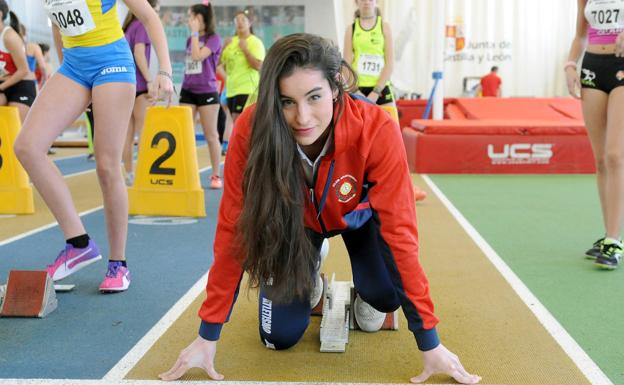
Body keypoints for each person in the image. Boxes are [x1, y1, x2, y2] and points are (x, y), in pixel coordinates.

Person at [159, 33, 481, 384]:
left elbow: (400, 233)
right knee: (278, 337)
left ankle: (370, 294)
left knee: (386, 296)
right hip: (295, 226)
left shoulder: (377, 128)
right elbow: (232, 231)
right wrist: (209, 334)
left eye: (314, 97)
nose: (302, 117)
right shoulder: (252, 130)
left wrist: (429, 341)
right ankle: (308, 271)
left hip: (358, 220)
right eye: (286, 102)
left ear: (336, 86)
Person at [13, 0, 174, 292]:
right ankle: (78, 243)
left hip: (111, 63)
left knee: (107, 166)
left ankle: (118, 264)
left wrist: (164, 71)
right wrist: (63, 71)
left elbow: (149, 17)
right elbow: (57, 25)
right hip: (74, 67)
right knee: (27, 146)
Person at [565, 0, 624, 270]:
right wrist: (569, 65)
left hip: (622, 63)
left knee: (615, 155)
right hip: (592, 66)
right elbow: (580, 35)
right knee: (600, 159)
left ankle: (615, 240)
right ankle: (607, 235)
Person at [179, 3, 223, 189]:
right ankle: (184, 173)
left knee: (211, 135)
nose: (189, 21)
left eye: (192, 17)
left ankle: (215, 175)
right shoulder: (191, 39)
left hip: (207, 91)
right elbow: (191, 62)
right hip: (188, 90)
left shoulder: (214, 39)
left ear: (200, 18)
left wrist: (195, 33)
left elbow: (197, 56)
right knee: (184, 134)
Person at [121, 0, 159, 186]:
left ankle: (128, 174)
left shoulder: (127, 27)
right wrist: (150, 80)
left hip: (124, 85)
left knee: (127, 135)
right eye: (156, 10)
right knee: (143, 133)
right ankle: (143, 174)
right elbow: (139, 54)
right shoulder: (142, 25)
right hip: (139, 85)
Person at [343, 0, 394, 106]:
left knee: (392, 123)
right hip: (358, 90)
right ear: (357, 2)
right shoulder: (351, 29)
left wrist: (375, 93)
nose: (367, 2)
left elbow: (390, 64)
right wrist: (356, 92)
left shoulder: (385, 27)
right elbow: (345, 66)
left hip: (381, 88)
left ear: (376, 2)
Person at [220, 10, 264, 124]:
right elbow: (218, 64)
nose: (239, 23)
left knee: (241, 124)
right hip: (231, 91)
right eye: (237, 20)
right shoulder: (231, 42)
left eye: (243, 20)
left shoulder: (255, 42)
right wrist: (223, 48)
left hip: (247, 89)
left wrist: (245, 50)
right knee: (237, 125)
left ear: (249, 23)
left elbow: (258, 66)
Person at [0, 3, 33, 122]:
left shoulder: (9, 37)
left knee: (15, 128)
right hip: (5, 83)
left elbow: (24, 70)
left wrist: (1, 86)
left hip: (21, 84)